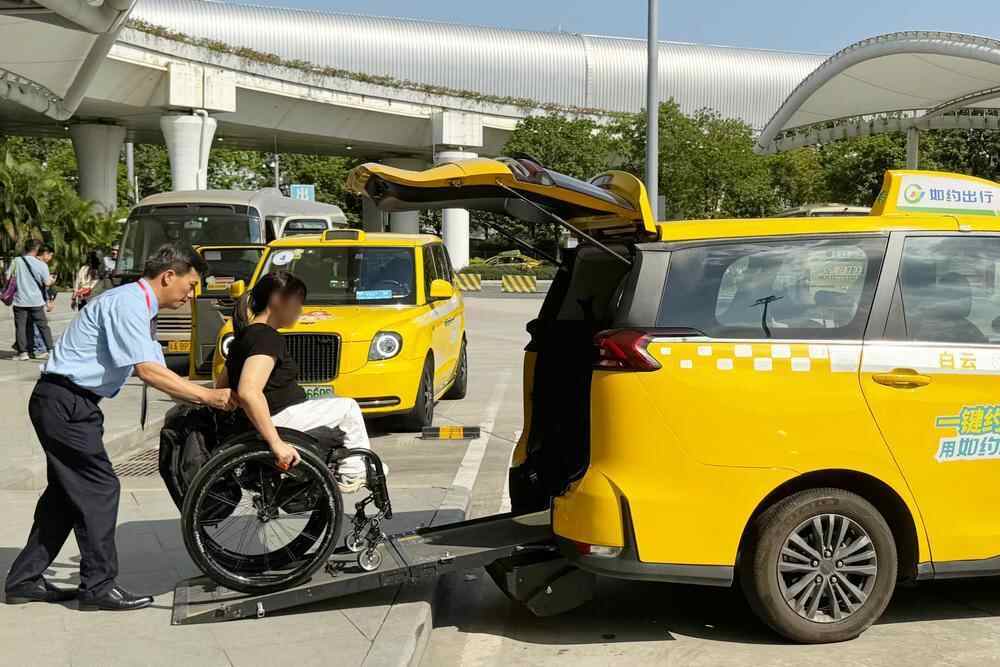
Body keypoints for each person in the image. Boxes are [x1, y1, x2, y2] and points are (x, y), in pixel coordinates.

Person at [3, 243, 235, 611]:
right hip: (65, 402)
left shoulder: (139, 306)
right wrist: (209, 397)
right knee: (100, 488)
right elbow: (148, 371)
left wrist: (205, 397)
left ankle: (23, 580)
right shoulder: (129, 304)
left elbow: (162, 374)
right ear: (168, 276)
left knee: (66, 495)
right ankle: (97, 586)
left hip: (69, 403)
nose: (192, 295)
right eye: (190, 285)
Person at [217, 270, 374, 490]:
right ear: (277, 300)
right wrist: (275, 442)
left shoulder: (243, 336)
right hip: (278, 419)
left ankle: (347, 465)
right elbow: (248, 391)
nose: (300, 310)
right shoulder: (266, 337)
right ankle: (353, 473)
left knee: (333, 406)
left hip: (258, 420)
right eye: (298, 303)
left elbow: (222, 386)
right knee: (348, 409)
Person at [7, 240, 55, 361]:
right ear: (36, 249)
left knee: (21, 327)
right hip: (36, 301)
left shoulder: (16, 261)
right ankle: (51, 350)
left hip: (20, 301)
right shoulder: (41, 264)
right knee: (43, 326)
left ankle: (23, 353)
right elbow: (47, 282)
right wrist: (52, 280)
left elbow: (8, 276)